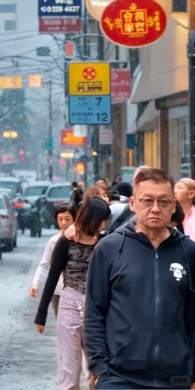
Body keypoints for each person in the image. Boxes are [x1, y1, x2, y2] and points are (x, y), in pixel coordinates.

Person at [84, 166, 195, 389]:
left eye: (163, 202)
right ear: (133, 203)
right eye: (147, 201)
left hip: (176, 379)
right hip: (119, 378)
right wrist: (100, 372)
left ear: (173, 206)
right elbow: (94, 314)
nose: (155, 208)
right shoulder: (110, 248)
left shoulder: (188, 252)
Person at [35, 196, 111, 390]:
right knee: (69, 368)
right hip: (70, 302)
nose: (104, 223)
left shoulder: (106, 242)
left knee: (97, 367)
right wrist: (41, 314)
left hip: (97, 307)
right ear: (93, 218)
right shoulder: (66, 241)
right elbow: (52, 277)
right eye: (102, 219)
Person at [29, 202, 77, 318]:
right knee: (62, 326)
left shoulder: (81, 240)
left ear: (75, 219)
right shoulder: (53, 241)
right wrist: (35, 283)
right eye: (60, 219)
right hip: (58, 291)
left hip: (77, 292)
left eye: (67, 219)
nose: (64, 223)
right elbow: (44, 265)